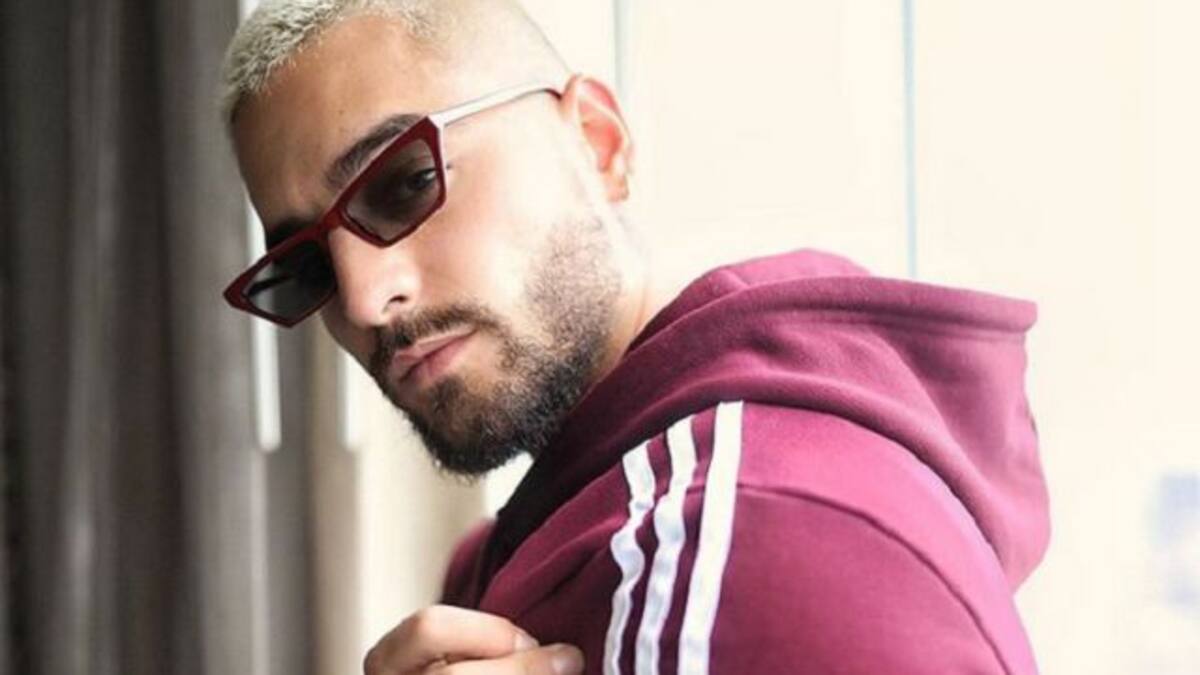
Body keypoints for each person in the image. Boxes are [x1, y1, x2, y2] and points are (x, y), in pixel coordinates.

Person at [220, 1, 1050, 673]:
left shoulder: (741, 543)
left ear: (597, 142)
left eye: (406, 182)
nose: (366, 300)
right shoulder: (527, 553)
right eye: (307, 266)